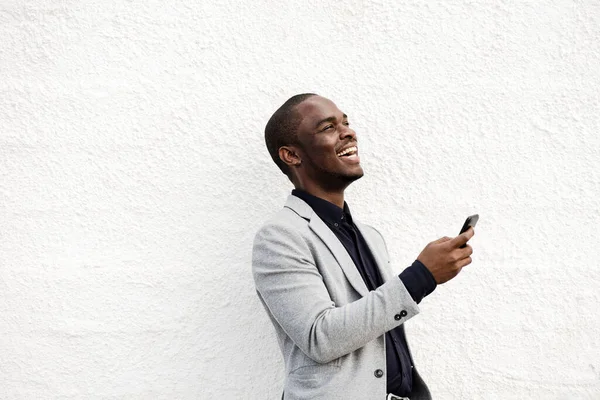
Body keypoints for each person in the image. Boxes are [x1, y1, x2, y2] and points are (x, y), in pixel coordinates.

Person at [252, 94, 475, 400]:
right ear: (291, 155)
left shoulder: (370, 236)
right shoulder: (280, 237)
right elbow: (321, 337)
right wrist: (421, 276)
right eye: (328, 127)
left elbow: (379, 330)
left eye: (346, 122)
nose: (348, 131)